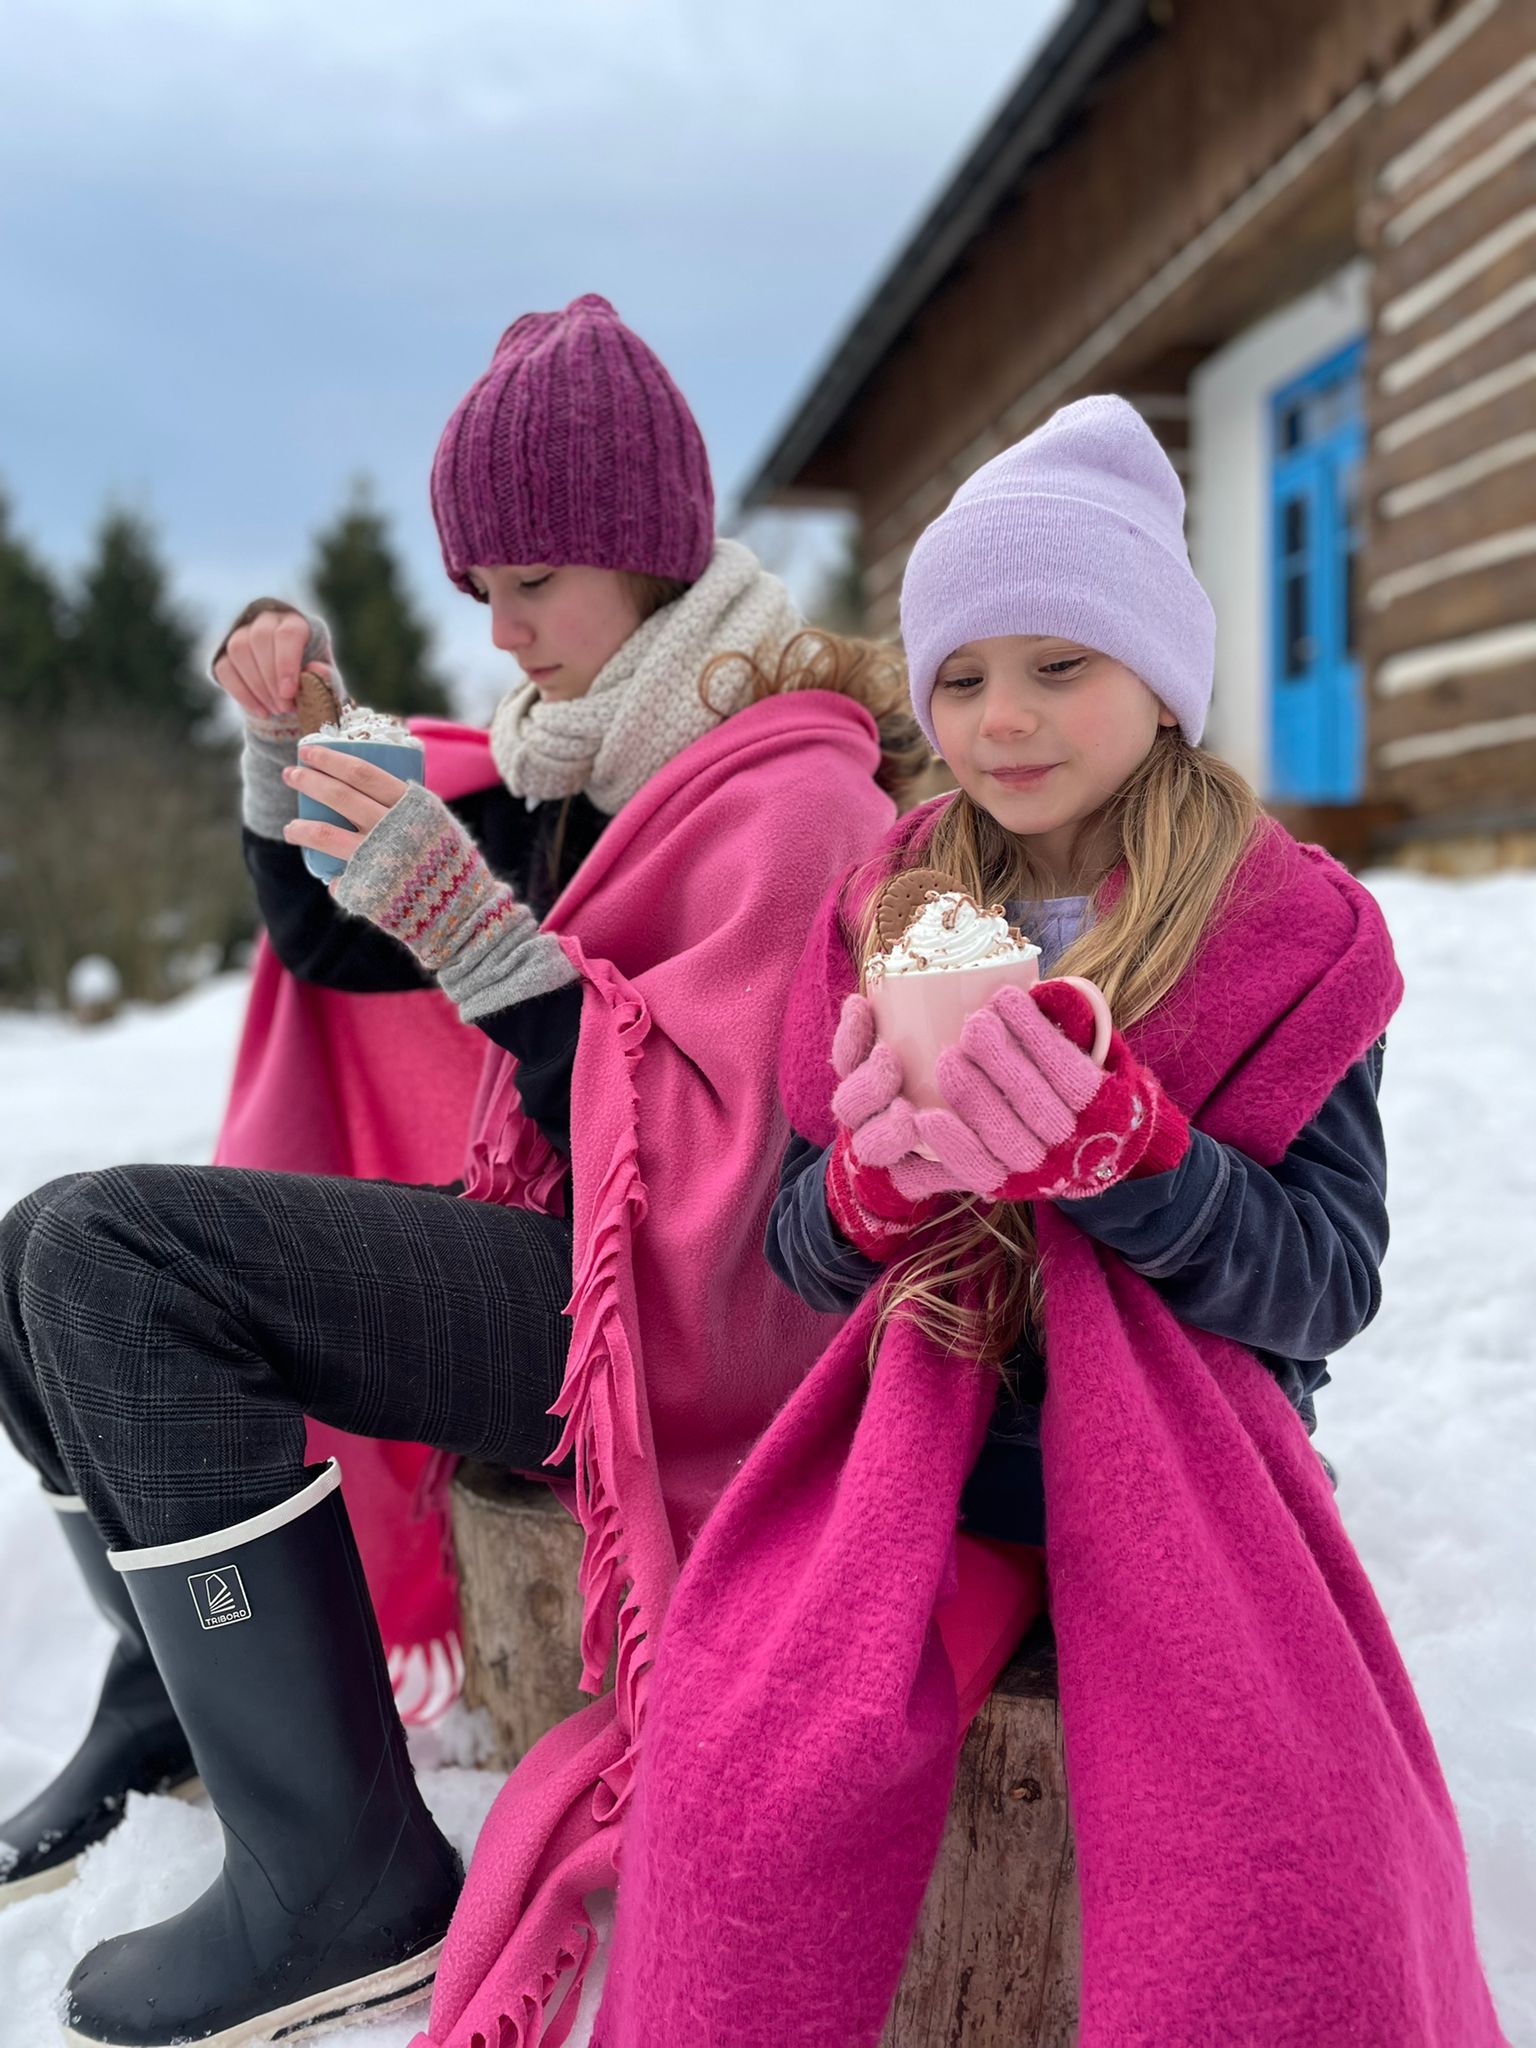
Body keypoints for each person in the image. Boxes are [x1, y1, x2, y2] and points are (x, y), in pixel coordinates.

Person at [0, 293, 923, 2048]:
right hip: (572, 1270)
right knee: (33, 1250)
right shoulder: (587, 760)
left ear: (641, 554)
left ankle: (341, 1881)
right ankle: (178, 1700)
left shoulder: (796, 795)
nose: (498, 638)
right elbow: (340, 950)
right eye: (476, 592)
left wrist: (477, 930)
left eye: (525, 587)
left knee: (119, 1257)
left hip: (673, 1334)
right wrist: (297, 752)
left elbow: (730, 1181)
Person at [559, 398, 1505, 2048]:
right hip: (942, 1444)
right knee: (748, 1761)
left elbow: (1321, 1282)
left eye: (1062, 665)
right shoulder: (895, 903)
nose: (1006, 718)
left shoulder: (1283, 931)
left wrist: (1137, 1159)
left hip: (1203, 1454)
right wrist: (866, 1192)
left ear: (1159, 675)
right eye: (966, 676)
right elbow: (800, 1250)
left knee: (1293, 1844)